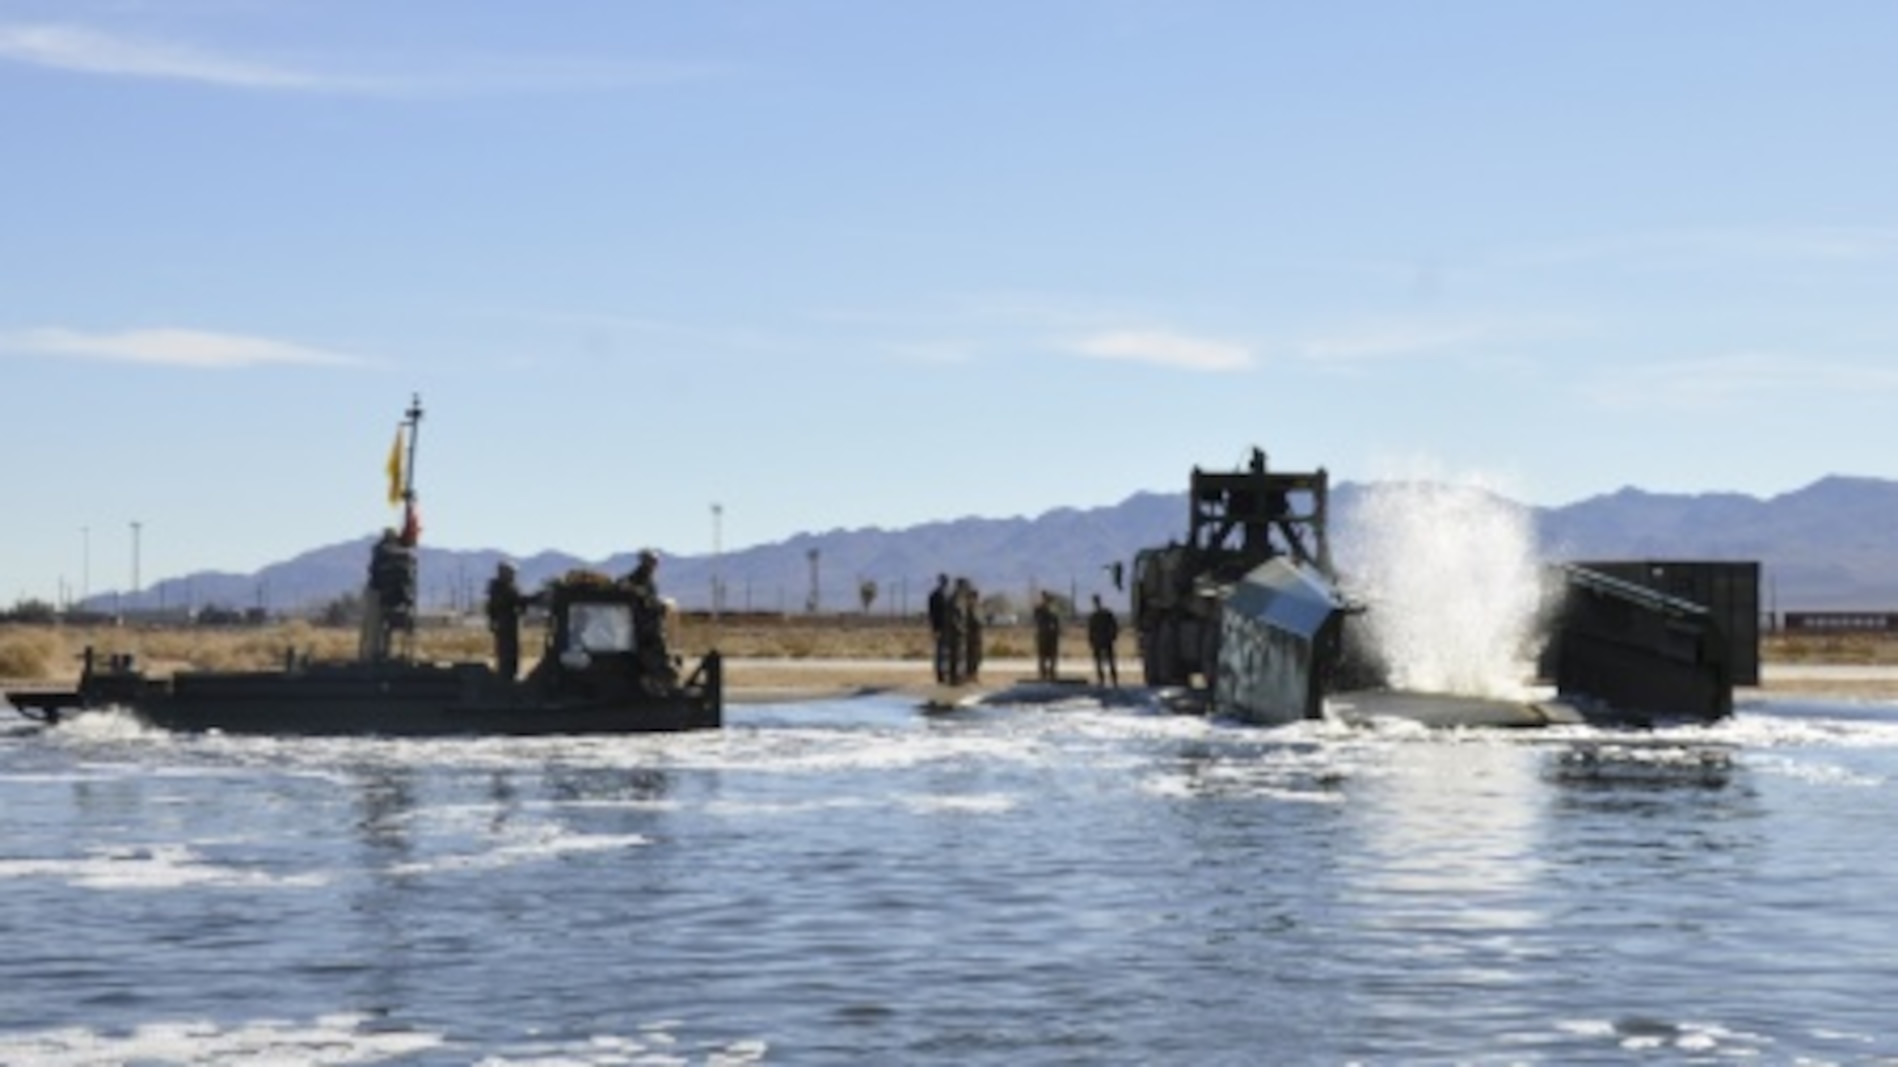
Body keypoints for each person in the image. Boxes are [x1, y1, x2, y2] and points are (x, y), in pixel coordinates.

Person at [623, 549, 676, 688]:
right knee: (654, 657)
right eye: (652, 562)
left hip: (649, 626)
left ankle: (657, 683)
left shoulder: (647, 580)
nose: (654, 565)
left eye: (654, 562)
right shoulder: (636, 580)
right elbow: (644, 601)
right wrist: (658, 605)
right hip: (644, 628)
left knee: (658, 657)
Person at [362, 527, 416, 661]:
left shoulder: (382, 552)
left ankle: (373, 654)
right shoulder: (401, 555)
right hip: (388, 596)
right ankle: (375, 654)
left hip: (383, 596)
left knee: (376, 628)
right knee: (380, 627)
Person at [485, 561, 528, 680]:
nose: (513, 576)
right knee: (507, 653)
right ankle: (506, 679)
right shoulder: (502, 589)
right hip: (506, 624)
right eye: (511, 573)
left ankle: (508, 676)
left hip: (507, 624)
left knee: (510, 652)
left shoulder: (501, 588)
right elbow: (518, 601)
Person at [1088, 594, 1120, 687]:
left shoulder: (1106, 614)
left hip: (1106, 640)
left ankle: (1113, 681)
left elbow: (1114, 626)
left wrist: (1112, 637)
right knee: (1100, 663)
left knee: (1110, 662)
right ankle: (1102, 681)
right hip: (1099, 641)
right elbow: (1091, 630)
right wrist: (1091, 640)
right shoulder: (1094, 616)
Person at [942, 577, 968, 685]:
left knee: (955, 656)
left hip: (953, 632)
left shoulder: (955, 597)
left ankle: (955, 677)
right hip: (956, 633)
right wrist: (961, 629)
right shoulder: (957, 598)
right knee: (957, 655)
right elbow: (955, 617)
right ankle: (956, 678)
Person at [928, 573, 951, 683]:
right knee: (940, 653)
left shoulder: (949, 595)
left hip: (949, 629)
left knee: (947, 653)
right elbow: (933, 614)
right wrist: (935, 629)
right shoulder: (935, 596)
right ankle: (940, 675)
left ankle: (946, 673)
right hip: (940, 628)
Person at [1034, 591, 1062, 681]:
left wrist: (1057, 632)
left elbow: (1057, 624)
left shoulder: (1053, 612)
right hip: (1043, 636)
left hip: (1052, 637)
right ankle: (1043, 675)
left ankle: (1052, 674)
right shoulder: (1039, 610)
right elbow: (1038, 620)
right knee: (1042, 658)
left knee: (1053, 658)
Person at [962, 579, 984, 684]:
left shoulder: (977, 608)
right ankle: (970, 675)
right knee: (971, 656)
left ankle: (973, 675)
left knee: (978, 656)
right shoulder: (968, 609)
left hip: (977, 635)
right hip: (970, 636)